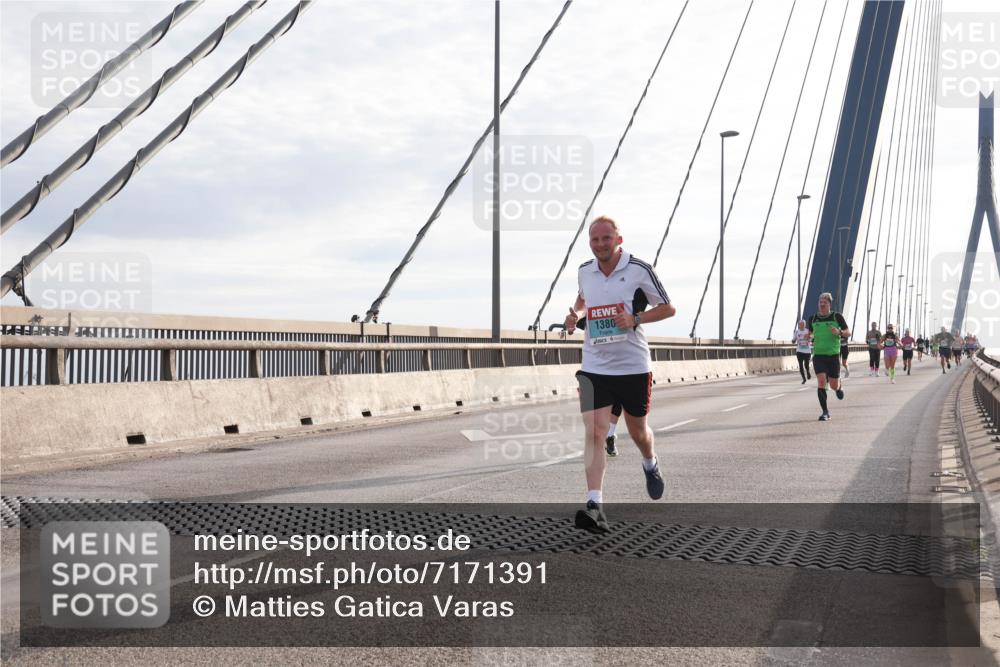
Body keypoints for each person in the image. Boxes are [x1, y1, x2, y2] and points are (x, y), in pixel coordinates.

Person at [565, 216, 676, 533]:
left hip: (633, 366)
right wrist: (576, 317)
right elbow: (583, 300)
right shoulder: (585, 271)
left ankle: (650, 462)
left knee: (638, 431)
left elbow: (668, 308)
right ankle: (594, 505)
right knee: (596, 433)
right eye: (595, 239)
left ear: (618, 239)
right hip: (594, 366)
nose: (600, 244)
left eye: (606, 238)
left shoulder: (639, 269)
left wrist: (636, 318)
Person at [807, 293, 850, 421]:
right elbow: (810, 334)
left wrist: (840, 332)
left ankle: (839, 387)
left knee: (833, 385)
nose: (822, 304)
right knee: (821, 381)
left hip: (833, 355)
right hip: (819, 355)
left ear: (829, 304)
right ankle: (825, 412)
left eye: (824, 302)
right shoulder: (813, 318)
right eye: (820, 302)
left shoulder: (837, 317)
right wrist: (808, 337)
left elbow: (848, 332)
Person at [794, 320, 812, 384]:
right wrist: (793, 341)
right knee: (801, 366)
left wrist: (809, 337)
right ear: (799, 325)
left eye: (803, 324)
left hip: (807, 351)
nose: (801, 325)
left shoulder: (807, 331)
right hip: (799, 351)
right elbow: (794, 339)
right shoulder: (797, 332)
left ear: (805, 325)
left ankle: (808, 371)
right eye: (800, 324)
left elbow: (812, 338)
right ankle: (804, 379)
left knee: (806, 364)